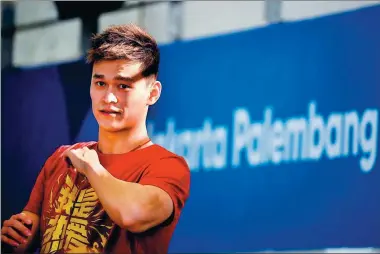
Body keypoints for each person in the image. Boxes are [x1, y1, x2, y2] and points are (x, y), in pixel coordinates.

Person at [1, 24, 191, 254]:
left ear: (152, 93)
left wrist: (92, 168)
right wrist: (13, 239)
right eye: (100, 83)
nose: (109, 98)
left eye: (123, 86)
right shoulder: (60, 159)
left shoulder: (167, 166)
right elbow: (24, 237)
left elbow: (132, 215)